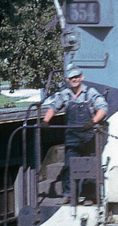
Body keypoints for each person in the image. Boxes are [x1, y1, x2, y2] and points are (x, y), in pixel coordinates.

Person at [41, 66, 108, 199]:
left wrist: (92, 121)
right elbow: (53, 107)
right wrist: (45, 120)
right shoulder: (64, 94)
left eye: (77, 77)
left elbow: (103, 108)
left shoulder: (90, 92)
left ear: (81, 77)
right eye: (72, 78)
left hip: (89, 135)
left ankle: (89, 195)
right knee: (69, 165)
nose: (75, 79)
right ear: (67, 79)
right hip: (72, 136)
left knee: (90, 164)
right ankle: (69, 194)